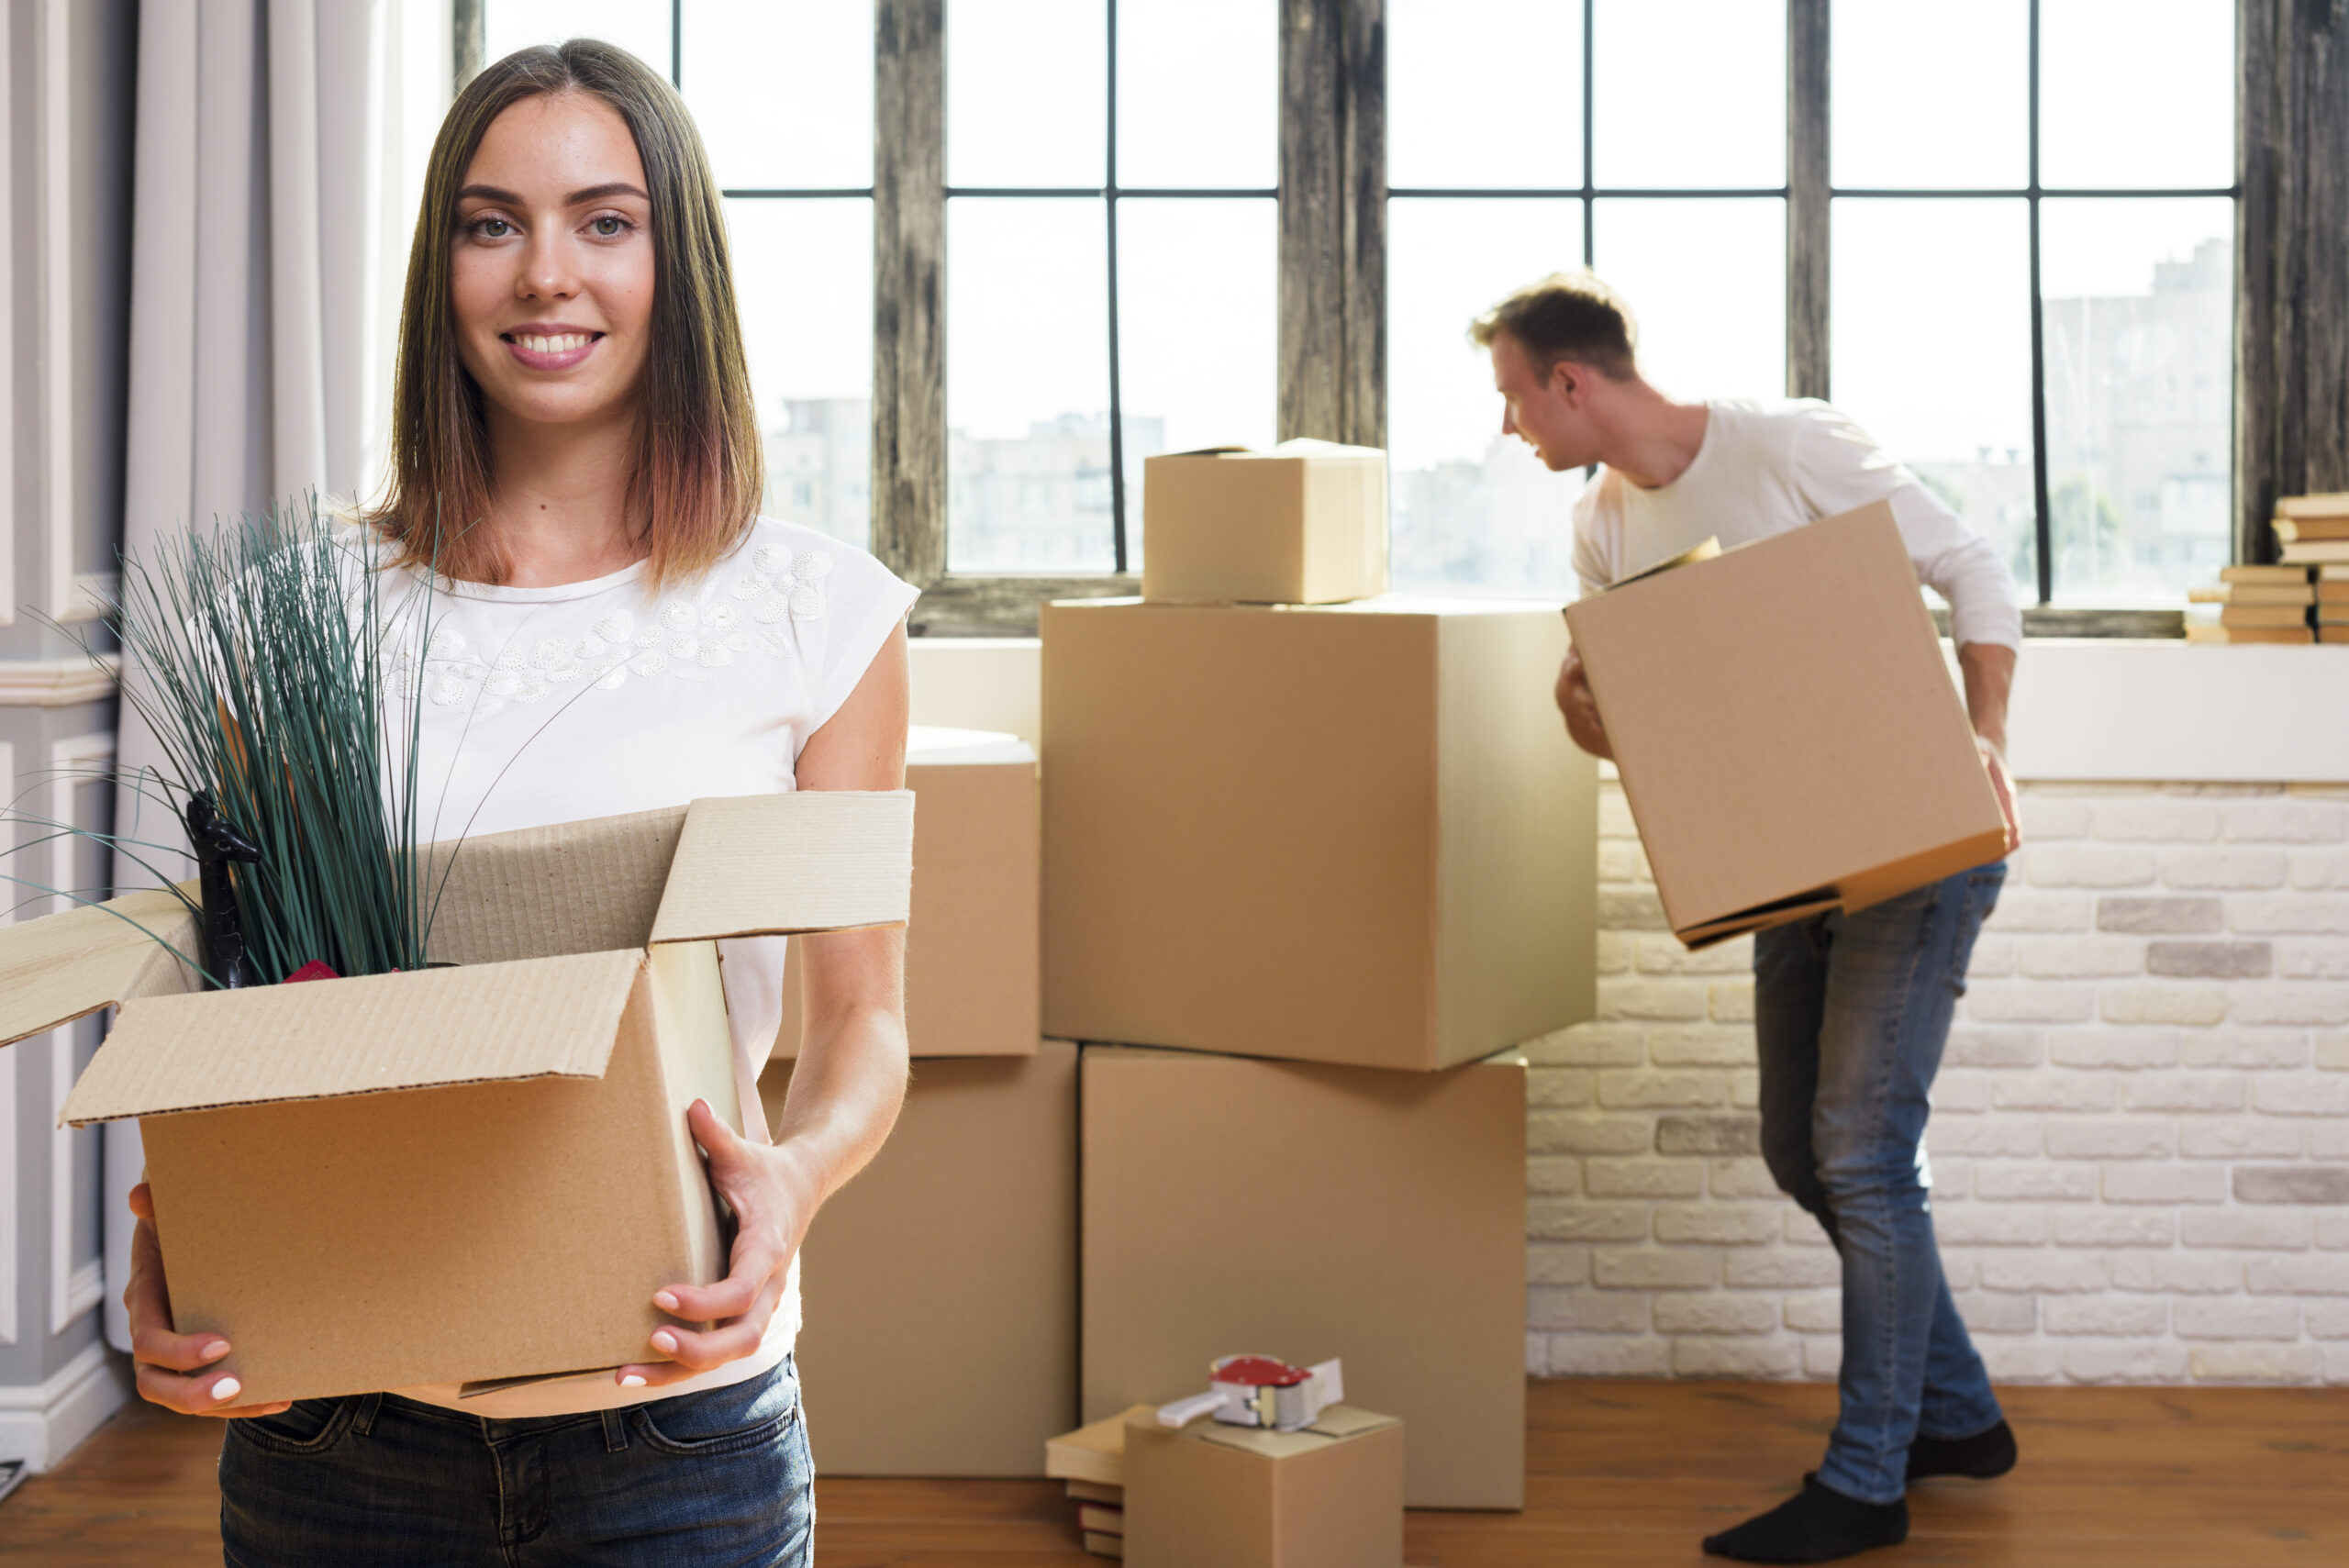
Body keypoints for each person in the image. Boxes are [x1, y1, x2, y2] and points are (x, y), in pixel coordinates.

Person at [121, 40, 916, 1565]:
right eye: (495, 224)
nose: (547, 273)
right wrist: (181, 1249)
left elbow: (865, 1018)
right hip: (339, 1423)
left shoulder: (820, 616)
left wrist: (795, 1179)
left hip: (678, 1418)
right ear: (445, 266)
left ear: (675, 260)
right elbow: (248, 1027)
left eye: (605, 222)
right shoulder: (311, 619)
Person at [1473, 272, 2025, 1565]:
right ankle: (1959, 1414)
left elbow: (1974, 570)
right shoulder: (1604, 528)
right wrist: (1589, 707)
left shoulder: (1790, 445)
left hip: (1919, 837)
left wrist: (1988, 739)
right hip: (1801, 861)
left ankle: (1868, 1477)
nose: (1509, 429)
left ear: (1572, 380)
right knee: (1801, 1146)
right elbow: (1665, 722)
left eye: (1512, 396)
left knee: (1864, 1147)